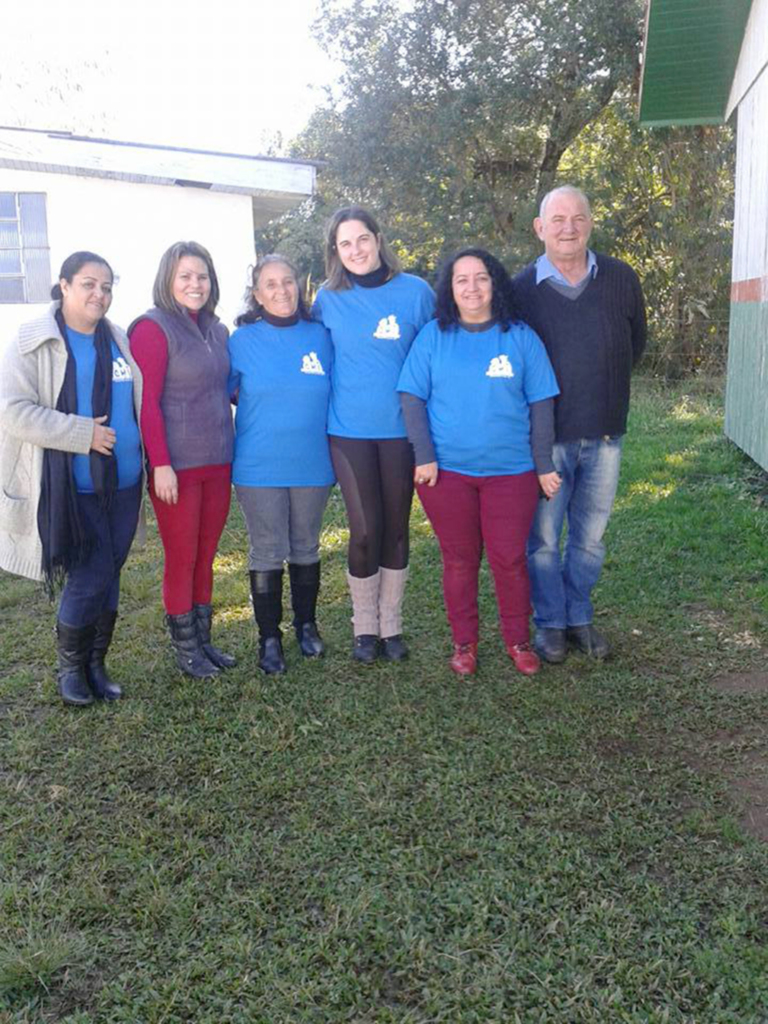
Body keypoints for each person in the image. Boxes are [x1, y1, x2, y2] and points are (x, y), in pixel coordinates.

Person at [397, 247, 560, 677]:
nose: (472, 287)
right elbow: (412, 398)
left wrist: (543, 464)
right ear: (450, 289)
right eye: (462, 279)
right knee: (459, 559)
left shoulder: (520, 336)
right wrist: (424, 456)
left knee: (509, 558)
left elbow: (542, 403)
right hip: (447, 474)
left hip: (513, 473)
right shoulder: (434, 336)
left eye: (481, 278)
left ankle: (517, 640)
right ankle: (464, 643)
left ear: (495, 284)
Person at [0, 252, 143, 706]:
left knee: (111, 572)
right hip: (71, 485)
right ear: (63, 285)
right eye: (88, 284)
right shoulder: (33, 341)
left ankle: (96, 665)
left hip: (124, 483)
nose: (99, 294)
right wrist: (84, 433)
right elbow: (12, 411)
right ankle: (70, 671)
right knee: (92, 573)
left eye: (106, 286)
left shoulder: (118, 338)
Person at [513, 185, 647, 663]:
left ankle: (579, 616)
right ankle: (549, 623)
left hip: (605, 433)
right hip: (547, 440)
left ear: (590, 223)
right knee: (544, 540)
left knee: (590, 538)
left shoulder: (621, 278)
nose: (568, 228)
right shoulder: (519, 290)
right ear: (540, 228)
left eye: (578, 218)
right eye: (558, 219)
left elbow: (636, 344)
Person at [312, 206, 435, 664]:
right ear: (335, 251)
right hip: (347, 431)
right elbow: (301, 342)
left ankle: (392, 626)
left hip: (401, 432)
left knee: (396, 529)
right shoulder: (327, 298)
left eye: (362, 239)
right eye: (345, 243)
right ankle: (364, 626)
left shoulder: (416, 293)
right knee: (364, 530)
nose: (356, 250)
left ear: (379, 239)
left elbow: (435, 356)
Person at [129, 241, 235, 679]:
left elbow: (225, 388)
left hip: (219, 460)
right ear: (168, 280)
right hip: (177, 468)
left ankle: (204, 641)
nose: (195, 284)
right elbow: (147, 403)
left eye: (202, 275)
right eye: (185, 275)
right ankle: (186, 649)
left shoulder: (217, 330)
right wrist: (161, 464)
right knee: (182, 556)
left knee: (207, 554)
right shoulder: (152, 329)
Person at [228, 255, 334, 675]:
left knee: (306, 545)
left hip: (313, 463)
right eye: (270, 284)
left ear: (299, 286)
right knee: (267, 550)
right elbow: (222, 392)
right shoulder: (240, 341)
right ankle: (269, 637)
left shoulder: (322, 336)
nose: (281, 290)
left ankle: (306, 625)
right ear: (257, 294)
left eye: (288, 281)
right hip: (258, 465)